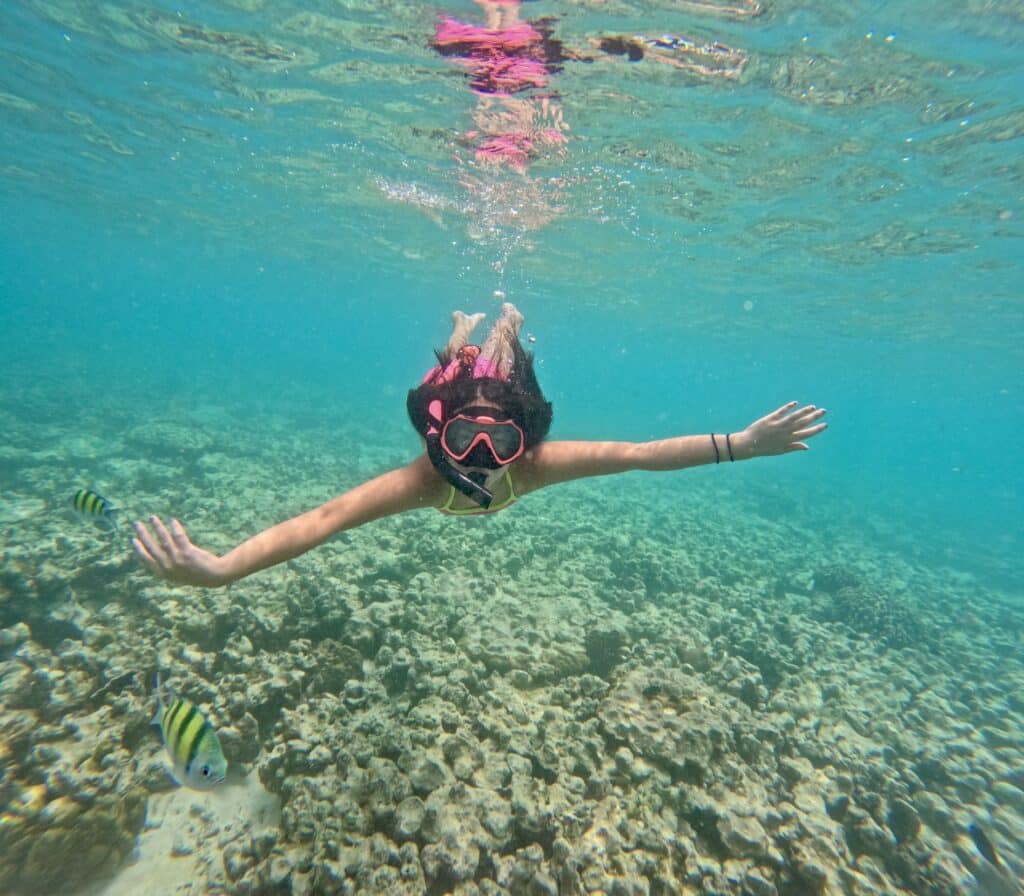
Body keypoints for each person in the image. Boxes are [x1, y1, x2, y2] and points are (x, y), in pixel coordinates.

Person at [133, 303, 827, 587]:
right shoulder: (429, 479)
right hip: (450, 388)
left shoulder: (535, 461)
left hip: (496, 392)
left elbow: (643, 454)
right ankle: (470, 332)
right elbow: (322, 521)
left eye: (503, 440)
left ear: (525, 438)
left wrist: (741, 443)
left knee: (501, 365)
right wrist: (222, 569)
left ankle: (498, 331)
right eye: (466, 438)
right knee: (457, 367)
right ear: (441, 436)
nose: (485, 459)